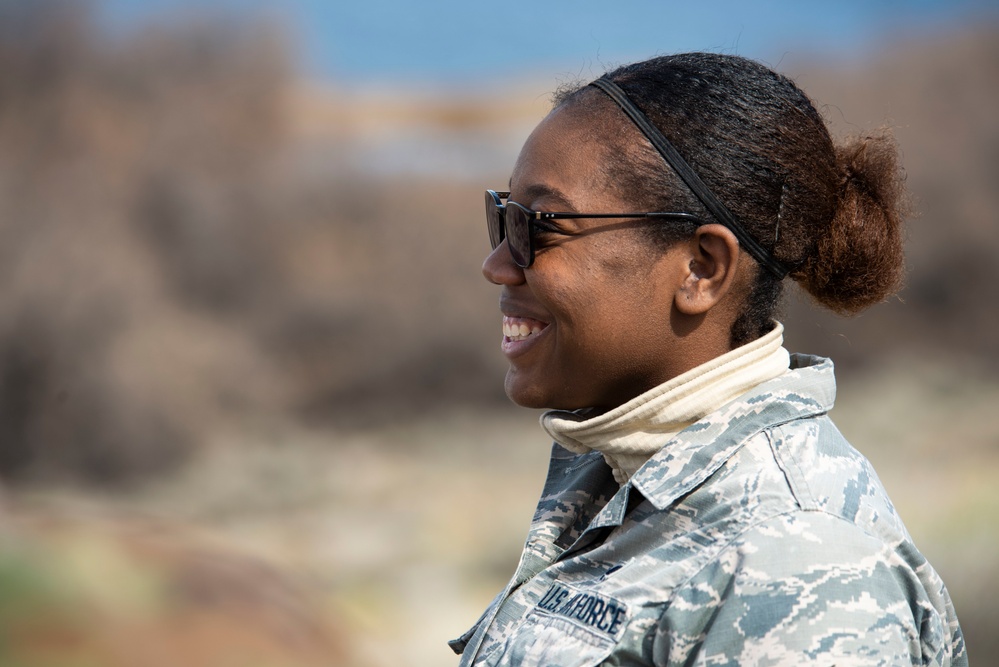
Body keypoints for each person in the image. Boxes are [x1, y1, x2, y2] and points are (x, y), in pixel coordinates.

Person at [450, 53, 966, 666]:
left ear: (702, 269)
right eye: (502, 218)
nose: (498, 264)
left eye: (539, 225)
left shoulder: (795, 560)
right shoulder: (623, 482)